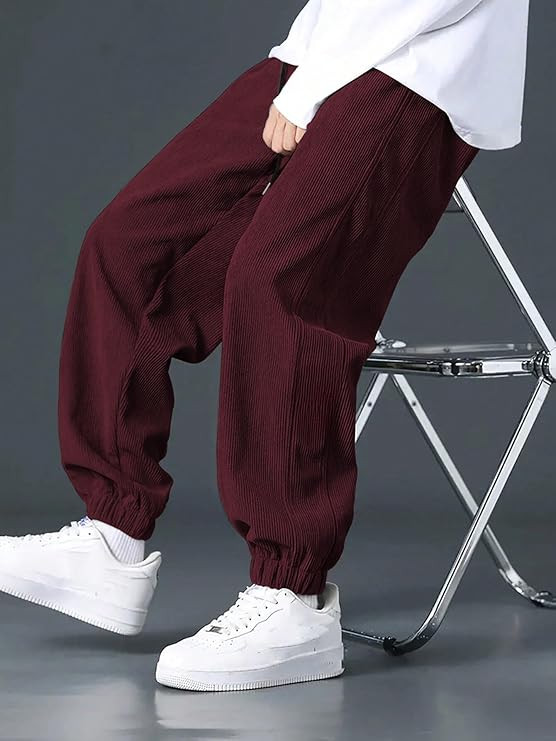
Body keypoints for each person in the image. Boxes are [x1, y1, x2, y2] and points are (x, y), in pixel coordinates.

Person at [0, 0, 529, 692]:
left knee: (278, 283)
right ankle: (112, 534)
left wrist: (314, 86)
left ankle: (294, 598)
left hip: (422, 65)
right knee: (129, 246)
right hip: (319, 49)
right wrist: (312, 70)